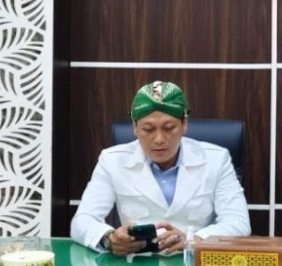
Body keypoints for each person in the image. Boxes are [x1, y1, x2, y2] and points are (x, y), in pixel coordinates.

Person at [70, 81, 251, 256]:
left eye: (169, 128)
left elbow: (238, 222)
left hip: (193, 263)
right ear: (135, 128)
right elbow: (82, 221)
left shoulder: (216, 159)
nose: (159, 139)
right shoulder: (112, 160)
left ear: (184, 124)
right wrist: (109, 239)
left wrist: (193, 240)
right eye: (148, 129)